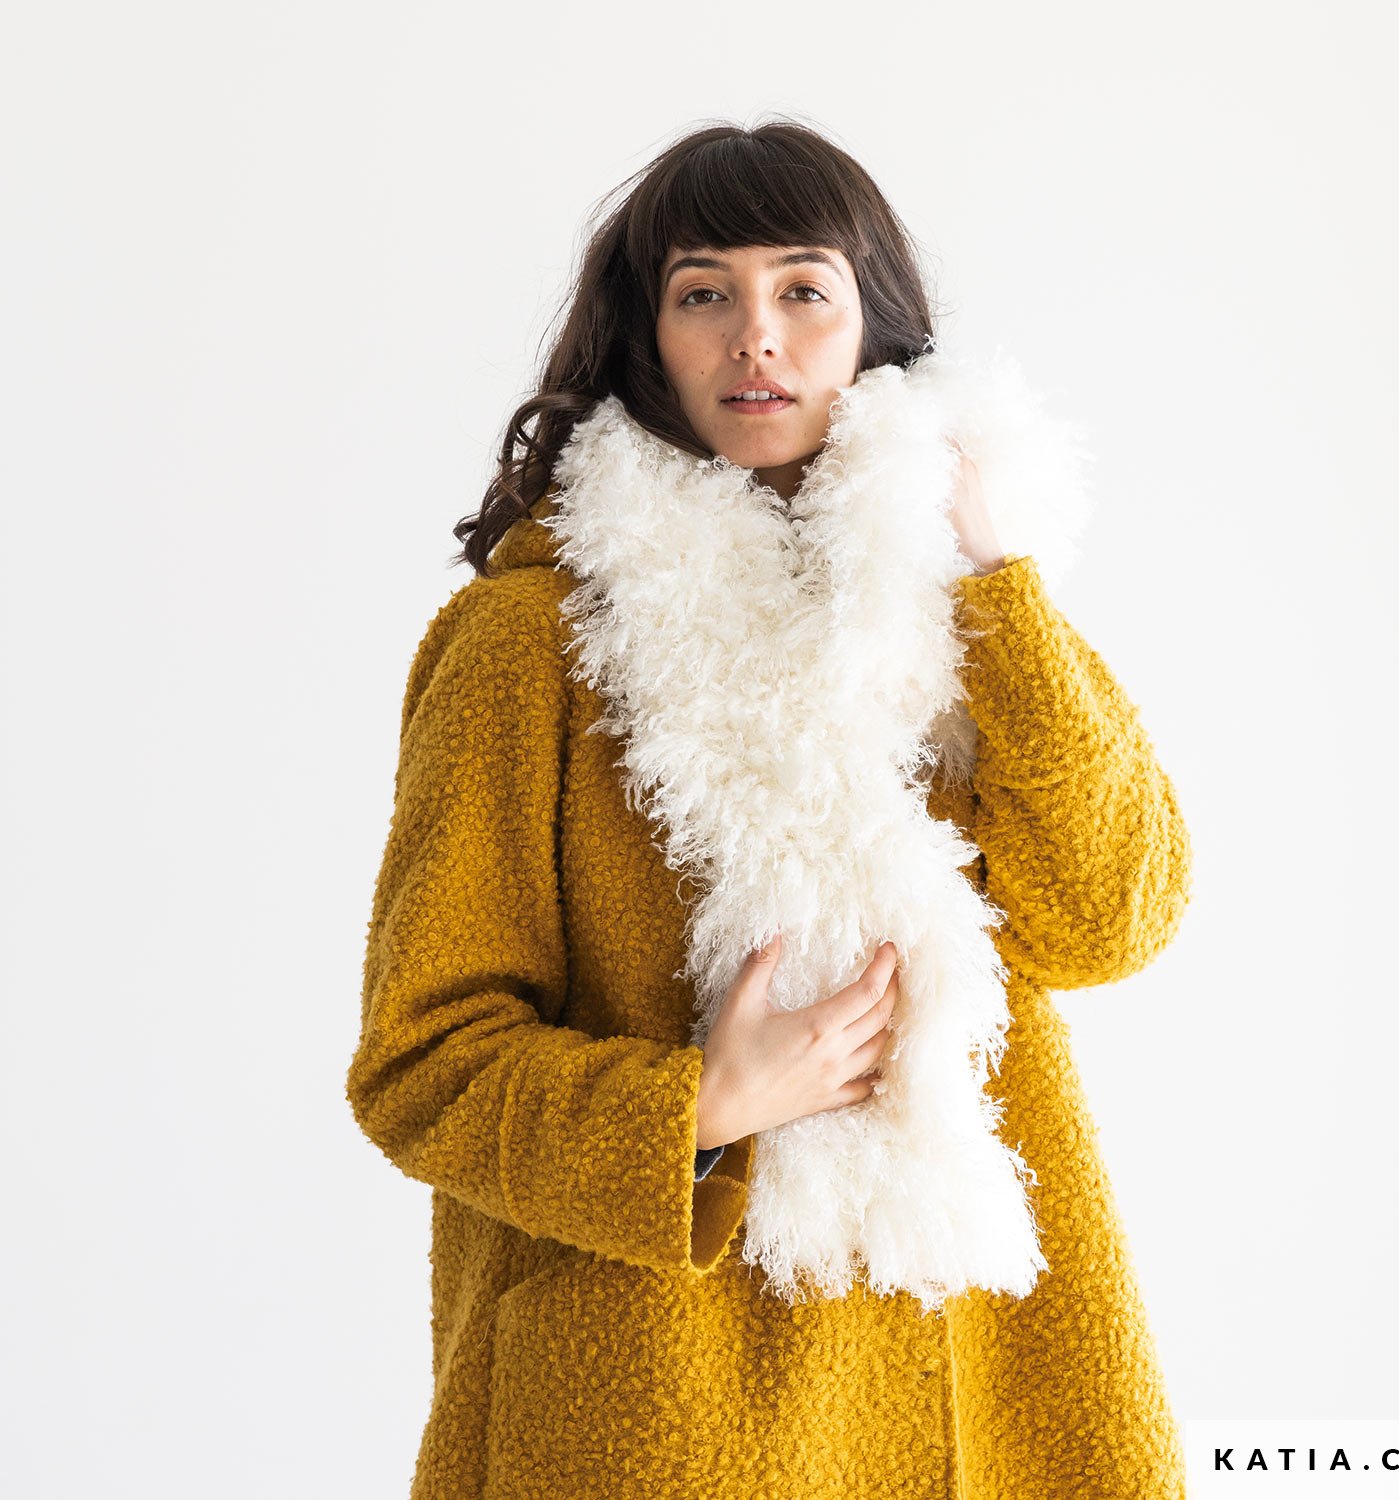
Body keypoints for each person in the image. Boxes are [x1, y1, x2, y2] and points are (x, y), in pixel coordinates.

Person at [346, 116, 1195, 1499]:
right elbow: (419, 1063)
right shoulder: (527, 645)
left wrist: (996, 582)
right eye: (705, 294)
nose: (758, 336)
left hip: (980, 1372)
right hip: (656, 1399)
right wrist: (696, 1105)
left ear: (873, 329)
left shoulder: (962, 623)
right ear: (646, 334)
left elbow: (1113, 920)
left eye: (805, 289)